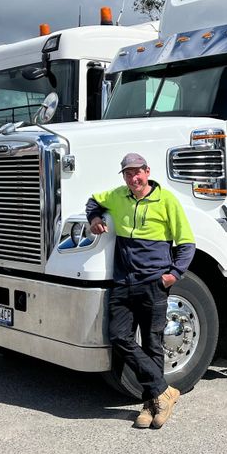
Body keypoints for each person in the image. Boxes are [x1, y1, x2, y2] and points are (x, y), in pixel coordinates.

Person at [86, 152, 195, 429]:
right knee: (119, 336)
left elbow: (186, 242)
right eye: (127, 173)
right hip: (123, 282)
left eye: (137, 172)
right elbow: (92, 200)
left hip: (154, 283)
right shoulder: (117, 195)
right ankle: (164, 390)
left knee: (153, 342)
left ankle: (151, 405)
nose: (133, 178)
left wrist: (173, 275)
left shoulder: (167, 200)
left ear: (147, 171)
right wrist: (94, 218)